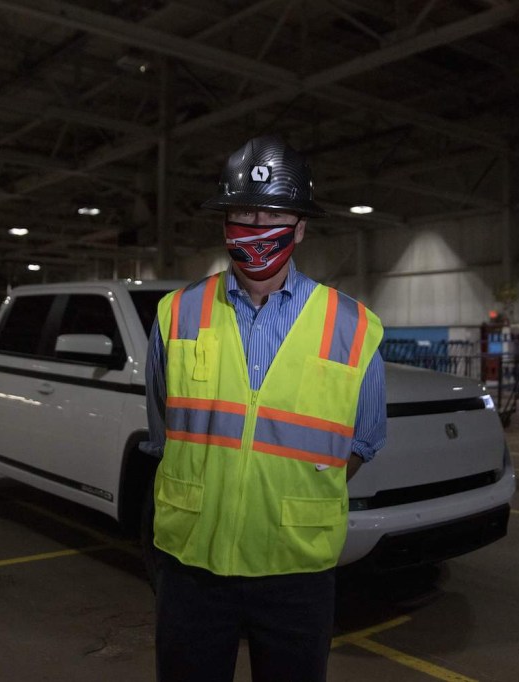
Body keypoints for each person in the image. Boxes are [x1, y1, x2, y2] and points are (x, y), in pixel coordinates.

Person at [144, 134, 387, 682]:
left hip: (296, 573)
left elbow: (363, 442)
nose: (255, 230)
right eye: (242, 214)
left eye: (272, 215)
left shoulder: (353, 327)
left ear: (301, 226)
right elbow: (165, 432)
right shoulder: (175, 314)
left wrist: (288, 493)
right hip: (191, 568)